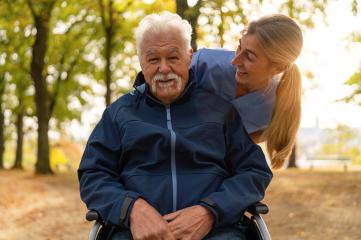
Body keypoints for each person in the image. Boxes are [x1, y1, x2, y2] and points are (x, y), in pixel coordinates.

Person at [78, 12, 272, 240]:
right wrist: (131, 209)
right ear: (141, 61)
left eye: (173, 57)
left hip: (216, 232)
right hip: (134, 234)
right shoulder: (118, 114)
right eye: (153, 60)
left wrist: (210, 211)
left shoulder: (221, 112)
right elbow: (93, 174)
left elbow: (253, 171)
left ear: (189, 56)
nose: (164, 69)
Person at [191, 14, 303, 168]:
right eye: (239, 47)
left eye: (249, 56)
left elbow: (231, 155)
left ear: (278, 68)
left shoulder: (274, 111)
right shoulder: (203, 65)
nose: (235, 61)